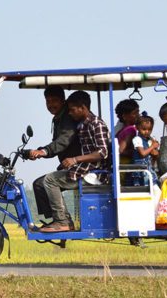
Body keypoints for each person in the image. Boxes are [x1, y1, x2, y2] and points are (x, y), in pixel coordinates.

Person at [29, 91, 110, 233]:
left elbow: (102, 152)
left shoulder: (96, 124)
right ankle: (59, 219)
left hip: (93, 173)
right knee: (44, 181)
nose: (70, 113)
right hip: (84, 169)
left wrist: (75, 159)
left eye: (72, 110)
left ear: (83, 108)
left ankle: (62, 221)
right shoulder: (83, 124)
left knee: (50, 180)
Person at [26, 86, 79, 207]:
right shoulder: (59, 118)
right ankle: (57, 220)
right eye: (48, 101)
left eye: (54, 100)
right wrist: (40, 151)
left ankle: (61, 220)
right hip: (69, 166)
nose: (50, 105)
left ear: (63, 100)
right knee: (40, 184)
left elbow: (64, 140)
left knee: (43, 183)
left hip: (78, 168)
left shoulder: (68, 116)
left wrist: (44, 151)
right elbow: (57, 145)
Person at [129, 115, 159, 186]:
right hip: (140, 171)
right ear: (137, 128)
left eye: (149, 130)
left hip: (148, 169)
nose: (147, 132)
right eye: (144, 129)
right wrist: (152, 146)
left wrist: (155, 149)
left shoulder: (148, 140)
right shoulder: (137, 139)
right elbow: (142, 153)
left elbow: (155, 154)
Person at [113, 99, 141, 163]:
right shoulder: (131, 130)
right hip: (126, 164)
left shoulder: (120, 131)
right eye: (135, 113)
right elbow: (120, 150)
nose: (138, 115)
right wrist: (137, 152)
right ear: (124, 116)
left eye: (138, 112)